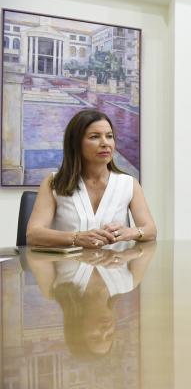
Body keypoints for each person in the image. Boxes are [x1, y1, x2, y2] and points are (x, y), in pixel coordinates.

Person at [27, 109, 157, 248]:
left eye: (109, 136)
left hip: (116, 261)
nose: (105, 143)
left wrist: (132, 232)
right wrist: (76, 238)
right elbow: (33, 235)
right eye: (94, 137)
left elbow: (151, 230)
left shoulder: (129, 183)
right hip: (69, 262)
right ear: (75, 143)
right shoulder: (54, 182)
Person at [26, 242, 155, 358]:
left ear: (77, 331)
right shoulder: (129, 283)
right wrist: (132, 253)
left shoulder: (54, 291)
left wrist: (78, 254)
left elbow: (33, 254)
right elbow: (150, 244)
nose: (105, 330)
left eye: (95, 337)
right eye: (109, 335)